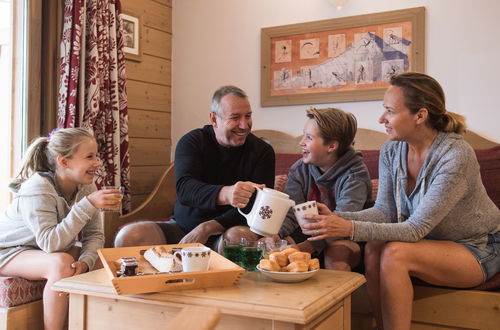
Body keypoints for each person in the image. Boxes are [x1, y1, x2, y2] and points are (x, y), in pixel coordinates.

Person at [300, 72, 500, 329]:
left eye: (390, 111)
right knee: (374, 246)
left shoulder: (455, 155)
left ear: (420, 116)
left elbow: (416, 228)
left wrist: (347, 228)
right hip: (431, 244)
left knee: (395, 253)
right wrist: (336, 218)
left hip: (478, 246)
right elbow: (384, 211)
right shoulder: (392, 150)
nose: (381, 119)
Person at [115, 85, 275, 250]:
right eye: (235, 118)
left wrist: (207, 228)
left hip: (229, 231)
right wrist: (227, 193)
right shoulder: (192, 142)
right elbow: (185, 189)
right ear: (214, 119)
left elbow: (258, 208)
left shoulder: (262, 151)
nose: (244, 125)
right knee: (130, 236)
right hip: (183, 228)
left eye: (247, 116)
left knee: (240, 238)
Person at [0, 128, 113, 330]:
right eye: (89, 157)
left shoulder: (86, 186)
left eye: (96, 155)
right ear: (64, 162)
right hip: (9, 250)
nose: (97, 162)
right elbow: (50, 243)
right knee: (61, 263)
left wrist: (86, 263)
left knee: (102, 261)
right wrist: (87, 205)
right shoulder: (38, 188)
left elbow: (94, 235)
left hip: (38, 250)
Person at [276, 107, 373, 271]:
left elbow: (341, 226)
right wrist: (276, 236)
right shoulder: (300, 169)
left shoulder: (355, 175)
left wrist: (305, 247)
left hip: (348, 237)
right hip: (308, 233)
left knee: (337, 250)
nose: (301, 142)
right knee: (280, 246)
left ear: (332, 146)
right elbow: (291, 212)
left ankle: (339, 296)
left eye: (309, 137)